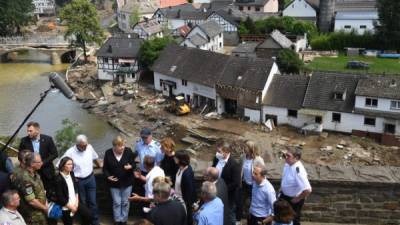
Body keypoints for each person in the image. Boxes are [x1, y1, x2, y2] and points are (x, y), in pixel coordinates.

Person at [59, 134, 102, 225]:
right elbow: (59, 165)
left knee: (93, 202)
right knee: (82, 203)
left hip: (90, 178)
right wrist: (72, 177)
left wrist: (100, 166)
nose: (86, 147)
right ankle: (85, 222)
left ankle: (95, 222)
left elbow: (95, 158)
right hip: (79, 181)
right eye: (83, 146)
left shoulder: (89, 147)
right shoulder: (70, 152)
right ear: (78, 145)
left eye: (86, 144)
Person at [103, 136, 136, 225]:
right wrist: (108, 176)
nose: (122, 147)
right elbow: (105, 168)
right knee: (117, 202)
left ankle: (124, 220)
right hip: (114, 183)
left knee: (125, 202)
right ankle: (117, 220)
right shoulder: (108, 153)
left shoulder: (128, 151)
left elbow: (134, 164)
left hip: (127, 182)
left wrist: (131, 166)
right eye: (120, 146)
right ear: (114, 146)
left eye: (123, 145)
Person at [19, 121, 58, 194]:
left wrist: (42, 163)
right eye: (27, 131)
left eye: (30, 131)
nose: (28, 133)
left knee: (49, 191)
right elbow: (20, 155)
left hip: (46, 171)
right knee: (35, 191)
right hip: (31, 172)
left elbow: (55, 154)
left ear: (37, 130)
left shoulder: (48, 139)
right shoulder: (24, 141)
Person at [279, 147, 311, 225]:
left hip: (293, 200)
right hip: (284, 196)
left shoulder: (298, 171)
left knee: (293, 220)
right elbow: (285, 177)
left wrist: (297, 199)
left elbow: (307, 190)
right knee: (282, 218)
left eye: (288, 156)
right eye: (285, 155)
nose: (285, 157)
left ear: (296, 158)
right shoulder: (288, 163)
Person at [212, 140, 241, 225]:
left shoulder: (234, 164)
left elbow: (236, 182)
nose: (217, 153)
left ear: (226, 151)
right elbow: (213, 169)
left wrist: (223, 189)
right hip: (215, 191)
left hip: (228, 194)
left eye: (219, 151)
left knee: (229, 213)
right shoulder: (216, 159)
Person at [15, 152, 48, 225]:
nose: (42, 163)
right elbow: (31, 201)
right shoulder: (25, 178)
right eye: (39, 162)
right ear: (32, 164)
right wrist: (45, 208)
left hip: (40, 212)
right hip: (32, 216)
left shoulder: (36, 174)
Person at [238, 141, 265, 221]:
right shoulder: (243, 157)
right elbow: (240, 169)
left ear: (251, 149)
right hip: (244, 184)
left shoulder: (258, 159)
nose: (244, 148)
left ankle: (250, 219)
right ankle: (239, 219)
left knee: (251, 204)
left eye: (246, 147)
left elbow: (263, 172)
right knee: (240, 202)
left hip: (253, 186)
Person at [55, 157, 79, 225]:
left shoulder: (71, 173)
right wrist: (71, 207)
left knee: (88, 215)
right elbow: (60, 198)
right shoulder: (58, 179)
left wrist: (77, 203)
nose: (71, 166)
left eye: (71, 164)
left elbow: (76, 188)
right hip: (66, 207)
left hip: (75, 203)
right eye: (68, 164)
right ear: (63, 166)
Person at [174, 150, 196, 225]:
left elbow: (189, 192)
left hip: (183, 202)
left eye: (176, 157)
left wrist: (186, 204)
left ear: (180, 160)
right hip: (177, 197)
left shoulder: (187, 174)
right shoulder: (179, 168)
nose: (174, 158)